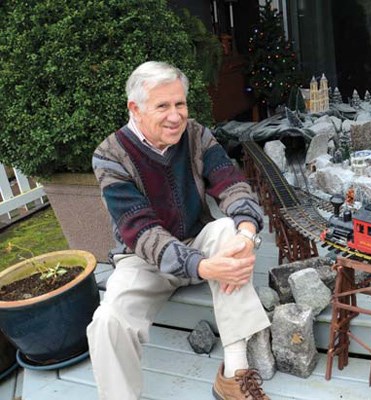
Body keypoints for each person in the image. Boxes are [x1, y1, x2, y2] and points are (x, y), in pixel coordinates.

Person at [87, 61, 271, 400]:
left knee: (230, 232)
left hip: (199, 242)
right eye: (163, 106)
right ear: (135, 108)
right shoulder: (109, 155)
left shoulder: (197, 134)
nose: (176, 116)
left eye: (180, 104)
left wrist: (247, 234)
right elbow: (139, 231)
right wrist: (202, 266)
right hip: (143, 260)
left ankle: (233, 374)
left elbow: (232, 184)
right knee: (107, 321)